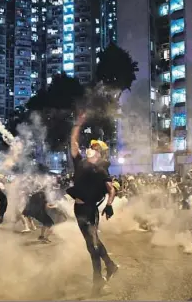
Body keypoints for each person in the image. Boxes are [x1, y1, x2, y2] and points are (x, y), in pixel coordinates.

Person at [66, 112, 119, 296]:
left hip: (89, 210)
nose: (91, 148)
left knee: (92, 244)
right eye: (91, 146)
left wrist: (110, 204)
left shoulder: (102, 168)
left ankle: (98, 282)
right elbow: (73, 143)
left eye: (95, 148)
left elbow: (111, 189)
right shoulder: (80, 162)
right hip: (78, 208)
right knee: (92, 243)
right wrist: (77, 124)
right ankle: (110, 266)